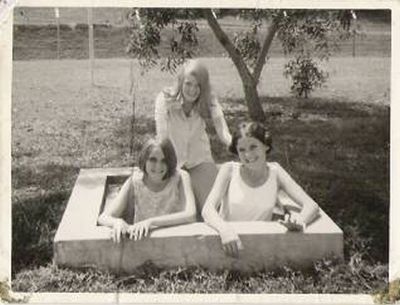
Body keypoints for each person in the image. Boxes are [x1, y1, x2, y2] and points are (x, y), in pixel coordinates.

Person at [201, 121, 320, 257]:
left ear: (265, 146)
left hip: (262, 246)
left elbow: (311, 205)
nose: (248, 155)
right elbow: (207, 210)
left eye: (253, 147)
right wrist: (224, 229)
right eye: (242, 150)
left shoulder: (276, 172)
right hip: (229, 244)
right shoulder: (229, 170)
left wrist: (299, 221)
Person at [155, 59, 232, 218]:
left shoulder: (209, 99)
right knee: (179, 213)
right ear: (181, 82)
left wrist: (236, 145)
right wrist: (168, 167)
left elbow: (222, 130)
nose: (192, 90)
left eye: (198, 86)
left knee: (213, 211)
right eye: (188, 84)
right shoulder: (164, 99)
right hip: (172, 162)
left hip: (199, 159)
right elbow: (162, 137)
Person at [98, 138, 196, 243]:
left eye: (164, 161)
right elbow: (104, 217)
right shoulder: (135, 181)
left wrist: (150, 222)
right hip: (142, 244)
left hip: (176, 242)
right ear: (144, 160)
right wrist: (117, 222)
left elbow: (191, 214)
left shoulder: (180, 177)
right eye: (153, 160)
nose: (158, 166)